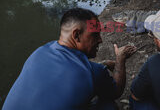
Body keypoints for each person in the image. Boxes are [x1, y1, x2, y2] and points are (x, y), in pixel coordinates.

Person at [3, 8, 136, 110]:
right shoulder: (93, 73)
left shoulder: (39, 51)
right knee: (108, 104)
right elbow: (116, 91)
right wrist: (120, 59)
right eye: (95, 35)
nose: (100, 40)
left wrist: (104, 64)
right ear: (77, 35)